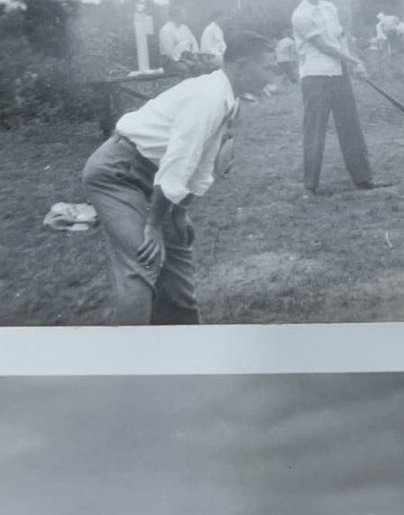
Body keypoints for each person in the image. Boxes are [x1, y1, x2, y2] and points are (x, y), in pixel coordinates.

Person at [81, 32, 272, 324]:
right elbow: (179, 161)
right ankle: (130, 360)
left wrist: (179, 212)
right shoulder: (208, 98)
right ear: (243, 66)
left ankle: (187, 345)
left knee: (178, 254)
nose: (270, 76)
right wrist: (155, 224)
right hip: (116, 173)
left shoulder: (227, 98)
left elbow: (203, 162)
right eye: (267, 67)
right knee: (143, 259)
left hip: (153, 174)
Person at [292, 0, 374, 194]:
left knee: (350, 127)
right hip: (315, 78)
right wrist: (353, 60)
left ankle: (363, 178)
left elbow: (339, 39)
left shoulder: (330, 7)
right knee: (315, 131)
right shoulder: (300, 15)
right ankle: (311, 185)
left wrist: (352, 65)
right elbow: (324, 47)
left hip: (339, 74)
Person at [157, 4, 199, 70]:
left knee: (201, 66)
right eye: (183, 14)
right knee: (186, 69)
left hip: (187, 57)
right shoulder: (166, 30)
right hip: (171, 61)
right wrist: (185, 61)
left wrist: (194, 55)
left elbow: (193, 42)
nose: (185, 16)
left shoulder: (185, 28)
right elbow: (170, 53)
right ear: (176, 15)